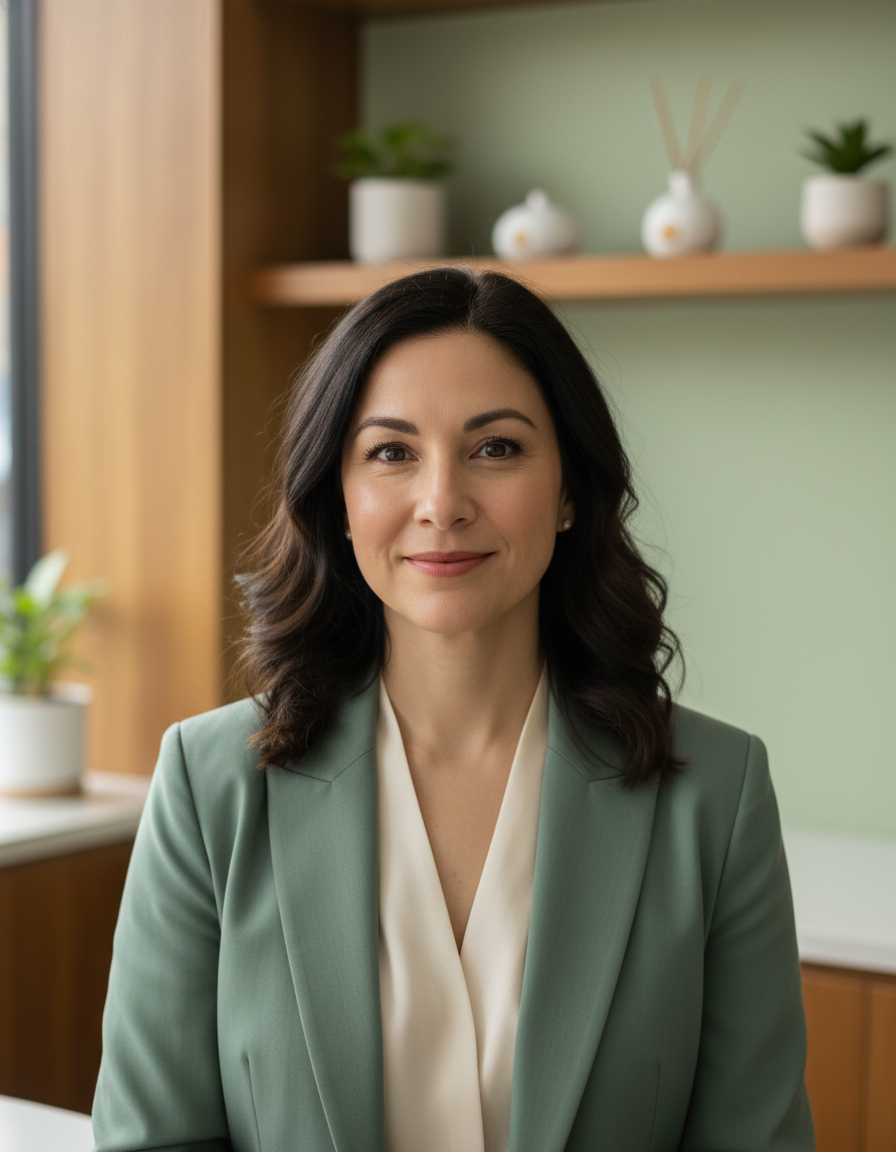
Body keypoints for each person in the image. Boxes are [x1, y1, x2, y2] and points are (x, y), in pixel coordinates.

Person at [92, 267, 814, 1152]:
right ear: (340, 500)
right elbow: (151, 1138)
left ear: (570, 492)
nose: (442, 504)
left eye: (497, 448)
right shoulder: (209, 788)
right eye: (391, 453)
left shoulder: (716, 797)